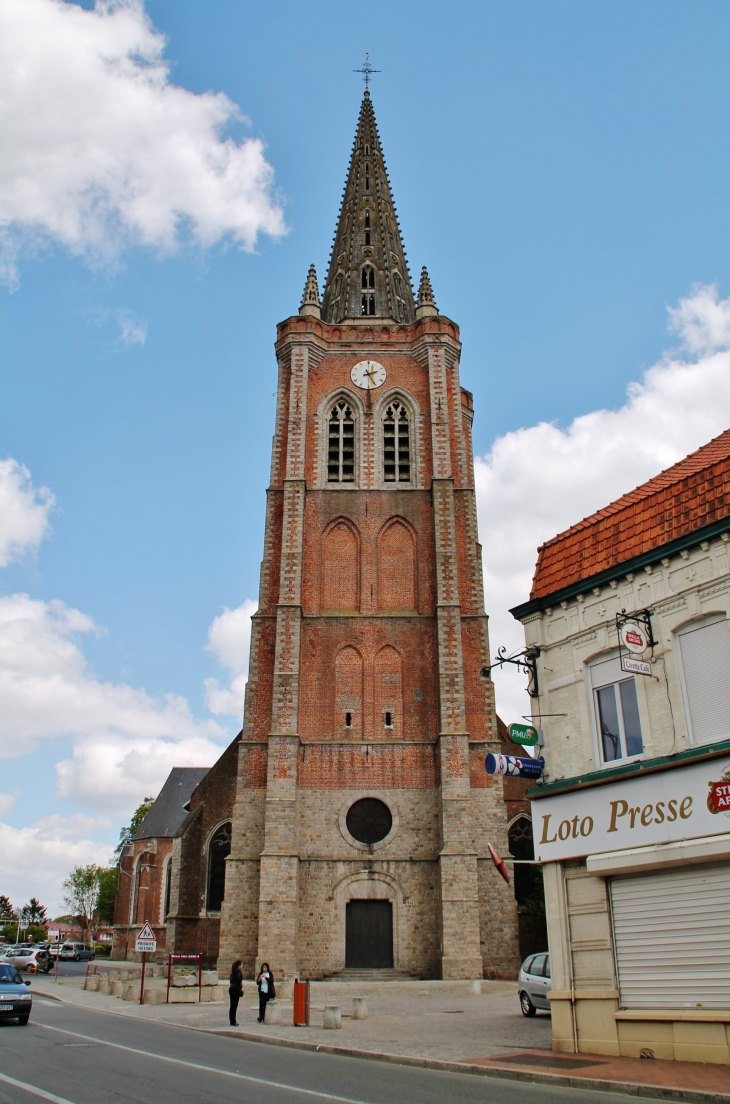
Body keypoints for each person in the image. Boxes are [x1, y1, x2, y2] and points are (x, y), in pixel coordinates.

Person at [228, 960, 243, 1026]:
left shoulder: (233, 972)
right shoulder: (239, 972)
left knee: (232, 1006)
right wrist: (241, 984)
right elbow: (239, 979)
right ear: (239, 966)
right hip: (236, 989)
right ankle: (233, 1021)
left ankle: (231, 1020)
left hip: (231, 989)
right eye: (241, 965)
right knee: (234, 1006)